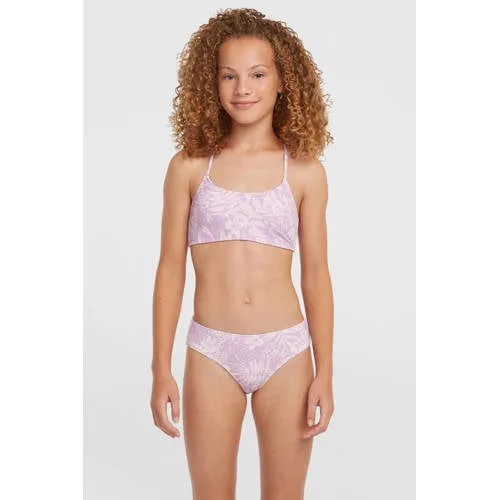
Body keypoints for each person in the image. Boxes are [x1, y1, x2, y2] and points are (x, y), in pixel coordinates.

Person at [151, 7, 335, 500]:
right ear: (211, 83)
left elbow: (316, 276)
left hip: (286, 353)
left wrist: (326, 371)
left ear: (282, 82)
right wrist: (160, 366)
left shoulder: (304, 171)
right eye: (228, 75)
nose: (242, 89)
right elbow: (170, 269)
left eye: (257, 74)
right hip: (212, 350)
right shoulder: (190, 167)